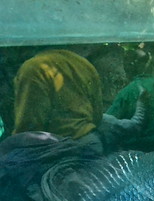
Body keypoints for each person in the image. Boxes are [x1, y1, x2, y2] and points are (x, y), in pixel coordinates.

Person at [12, 49, 145, 155]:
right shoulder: (83, 63)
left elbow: (29, 126)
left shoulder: (33, 68)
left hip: (59, 152)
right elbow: (96, 115)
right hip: (91, 145)